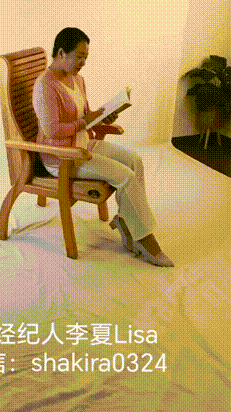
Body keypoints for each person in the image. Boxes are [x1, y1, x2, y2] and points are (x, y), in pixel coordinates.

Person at [32, 27, 174, 267]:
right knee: (126, 177)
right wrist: (85, 122)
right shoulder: (45, 86)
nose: (83, 62)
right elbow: (52, 130)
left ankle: (126, 222)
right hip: (63, 157)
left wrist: (103, 116)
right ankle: (145, 239)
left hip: (82, 144)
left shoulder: (77, 79)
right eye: (79, 56)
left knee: (135, 161)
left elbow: (85, 115)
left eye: (86, 57)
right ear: (61, 53)